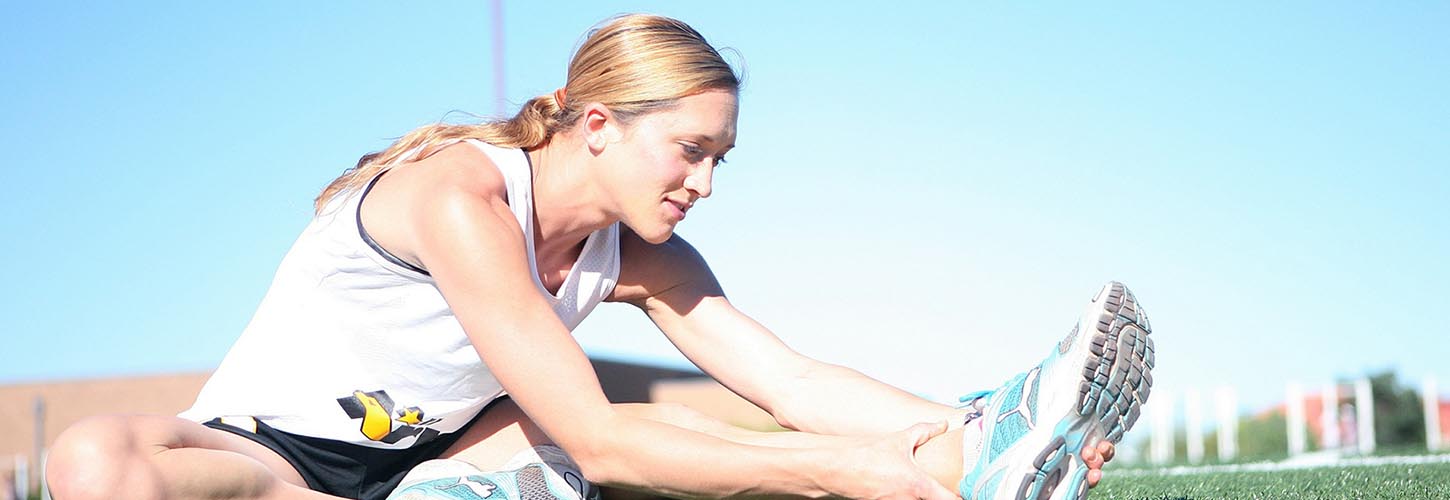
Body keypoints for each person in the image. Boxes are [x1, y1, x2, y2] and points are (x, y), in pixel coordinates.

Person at [45, 13, 1153, 500]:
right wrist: (843, 471)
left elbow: (789, 380)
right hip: (271, 462)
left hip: (434, 460)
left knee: (696, 428)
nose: (704, 182)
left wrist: (970, 430)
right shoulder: (459, 194)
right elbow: (600, 438)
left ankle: (986, 446)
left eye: (721, 158)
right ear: (596, 124)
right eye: (690, 150)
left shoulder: (640, 253)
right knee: (91, 465)